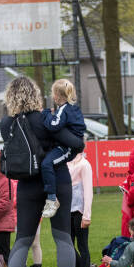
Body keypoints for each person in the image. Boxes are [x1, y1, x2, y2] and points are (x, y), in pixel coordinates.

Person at [0, 76, 83, 267]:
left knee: (22, 240)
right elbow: (76, 143)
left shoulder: (7, 124)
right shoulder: (44, 119)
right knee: (63, 237)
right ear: (35, 94)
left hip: (26, 184)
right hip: (57, 181)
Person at [41, 79, 86, 219]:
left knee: (46, 164)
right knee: (48, 163)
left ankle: (52, 199)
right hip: (66, 145)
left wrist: (47, 114)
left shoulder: (64, 109)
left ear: (56, 96)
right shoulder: (72, 108)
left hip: (66, 148)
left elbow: (54, 125)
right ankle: (52, 197)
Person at [68, 152, 93, 267]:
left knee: (82, 246)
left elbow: (88, 191)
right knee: (69, 246)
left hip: (80, 211)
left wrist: (87, 215)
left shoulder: (84, 164)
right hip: (67, 211)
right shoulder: (65, 163)